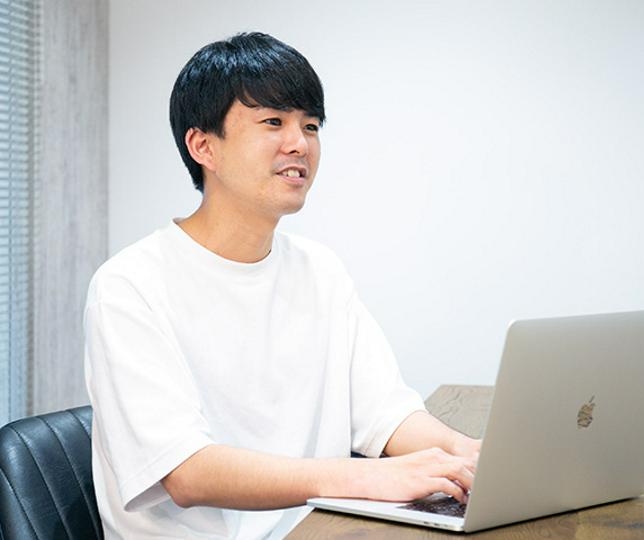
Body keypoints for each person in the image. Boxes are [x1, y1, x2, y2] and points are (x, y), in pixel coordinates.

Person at [84, 31, 481, 540]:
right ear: (203, 145)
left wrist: (468, 454)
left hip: (317, 530)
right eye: (273, 122)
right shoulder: (128, 285)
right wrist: (370, 478)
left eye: (310, 125)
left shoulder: (320, 270)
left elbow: (385, 412)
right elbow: (186, 471)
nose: (300, 143)